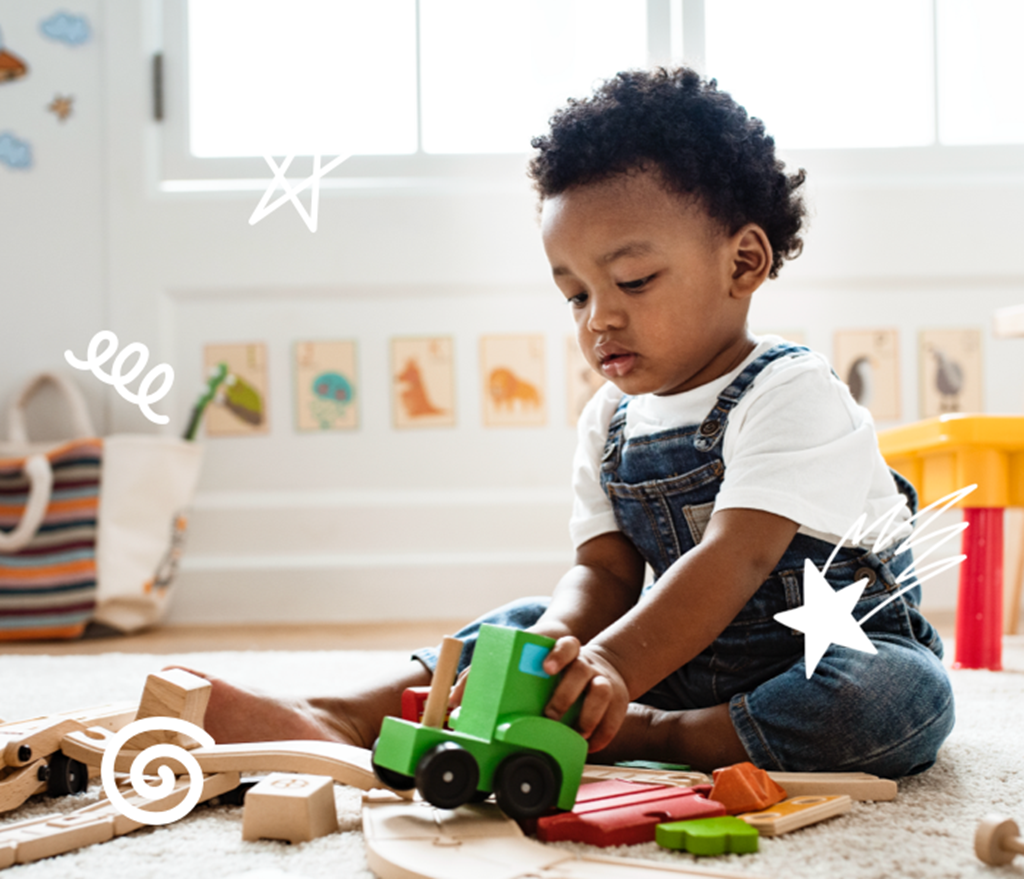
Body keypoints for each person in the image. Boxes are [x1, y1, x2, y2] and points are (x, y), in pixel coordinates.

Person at [191, 67, 953, 776]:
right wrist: (556, 645)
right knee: (521, 624)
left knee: (893, 696)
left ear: (743, 263)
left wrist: (616, 668)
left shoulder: (791, 391)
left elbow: (735, 560)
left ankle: (658, 735)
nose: (601, 317)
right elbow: (606, 573)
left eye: (633, 280)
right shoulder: (609, 419)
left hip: (823, 653)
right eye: (576, 294)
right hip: (675, 655)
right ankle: (340, 716)